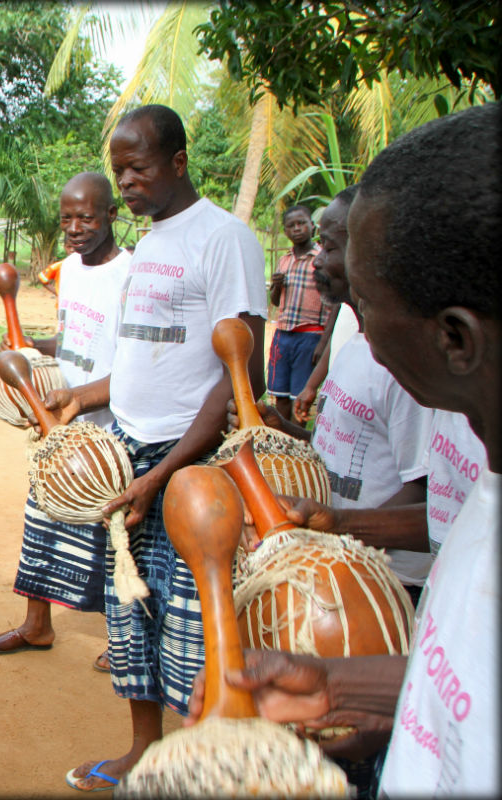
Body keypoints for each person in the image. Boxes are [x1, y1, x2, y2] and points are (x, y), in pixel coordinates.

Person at [186, 102, 499, 796]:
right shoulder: (483, 491)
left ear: (454, 339)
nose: (355, 314)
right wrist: (335, 684)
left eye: (369, 294)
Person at [46, 105, 268, 790]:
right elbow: (142, 359)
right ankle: (144, 750)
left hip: (187, 468)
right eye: (119, 171)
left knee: (192, 621)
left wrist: (164, 474)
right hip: (128, 456)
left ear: (177, 162)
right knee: (130, 613)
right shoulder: (147, 247)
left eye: (138, 168)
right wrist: (84, 403)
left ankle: (199, 767)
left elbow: (238, 377)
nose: (128, 184)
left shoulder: (224, 240)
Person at [230, 187, 434, 607]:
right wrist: (287, 431)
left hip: (385, 576)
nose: (318, 259)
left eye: (331, 246)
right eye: (319, 245)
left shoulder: (406, 364)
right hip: (340, 558)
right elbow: (345, 452)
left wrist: (337, 527)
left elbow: (427, 491)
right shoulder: (357, 343)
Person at [0, 173, 130, 677]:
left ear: (111, 215)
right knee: (41, 519)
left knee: (115, 535)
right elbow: (72, 342)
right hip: (56, 420)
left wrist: (85, 401)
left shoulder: (131, 275)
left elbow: (137, 366)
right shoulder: (71, 270)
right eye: (66, 218)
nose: (74, 228)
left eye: (85, 217)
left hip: (108, 427)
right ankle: (37, 624)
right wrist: (30, 349)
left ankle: (125, 640)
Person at [267, 204, 330, 421]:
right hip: (283, 334)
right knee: (280, 394)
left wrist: (323, 343)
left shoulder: (321, 259)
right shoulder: (285, 260)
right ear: (285, 231)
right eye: (291, 225)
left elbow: (333, 303)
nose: (297, 229)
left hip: (310, 335)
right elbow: (276, 301)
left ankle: (295, 441)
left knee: (300, 395)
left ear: (312, 226)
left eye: (302, 223)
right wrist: (276, 286)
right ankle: (281, 438)